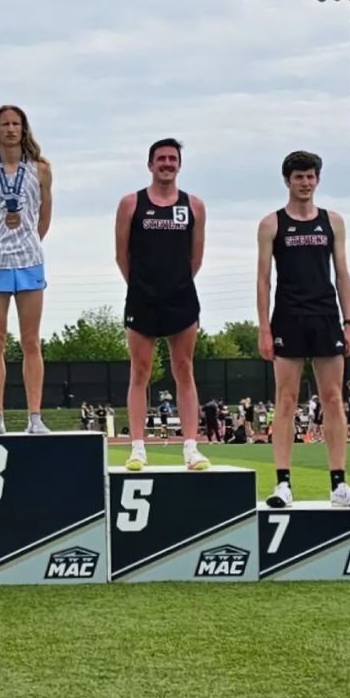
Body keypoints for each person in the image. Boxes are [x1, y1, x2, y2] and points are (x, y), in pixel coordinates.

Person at [258, 151, 350, 508]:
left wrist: (349, 323)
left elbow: (342, 273)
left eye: (310, 176)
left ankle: (339, 485)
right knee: (286, 400)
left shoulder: (332, 221)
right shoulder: (271, 224)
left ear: (317, 179)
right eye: (298, 177)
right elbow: (263, 280)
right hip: (288, 317)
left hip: (325, 317)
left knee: (333, 398)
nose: (305, 183)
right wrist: (264, 329)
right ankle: (282, 485)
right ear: (287, 181)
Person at [116, 139, 209, 470]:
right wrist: (142, 287)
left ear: (179, 165)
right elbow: (121, 255)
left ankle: (191, 448)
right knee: (140, 370)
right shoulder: (131, 203)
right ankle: (137, 448)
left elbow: (196, 257)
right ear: (150, 164)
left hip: (181, 298)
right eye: (161, 159)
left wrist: (176, 283)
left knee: (183, 368)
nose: (167, 163)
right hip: (142, 298)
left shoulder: (194, 205)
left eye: (172, 158)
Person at [0, 105, 53, 434]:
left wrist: (28, 240)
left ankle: (35, 417)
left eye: (16, 123)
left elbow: (44, 217)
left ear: (24, 129)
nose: (11, 129)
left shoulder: (41, 169)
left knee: (31, 341)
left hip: (29, 261)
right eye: (5, 124)